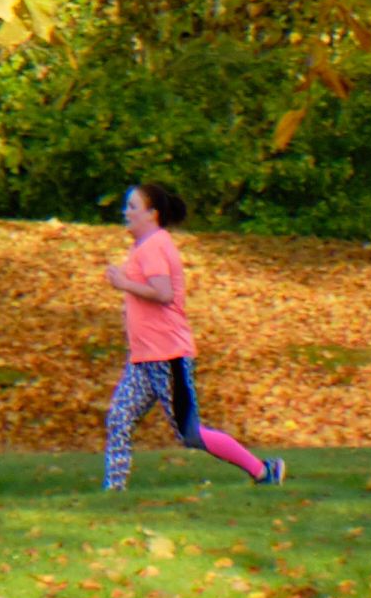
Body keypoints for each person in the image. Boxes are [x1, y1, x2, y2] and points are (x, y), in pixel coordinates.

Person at [100, 185, 281, 491]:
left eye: (132, 206)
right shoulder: (143, 247)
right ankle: (114, 491)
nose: (125, 212)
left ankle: (264, 470)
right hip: (144, 359)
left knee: (191, 434)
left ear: (152, 214)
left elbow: (164, 293)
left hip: (168, 357)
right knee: (119, 418)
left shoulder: (155, 246)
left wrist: (124, 283)